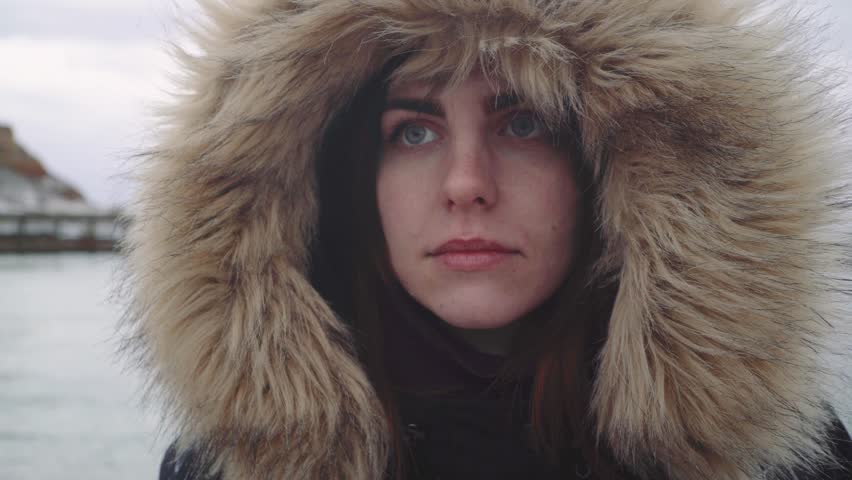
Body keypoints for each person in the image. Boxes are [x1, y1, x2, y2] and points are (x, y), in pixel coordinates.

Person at [121, 0, 852, 478]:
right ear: (340, 177)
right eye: (412, 131)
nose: (466, 182)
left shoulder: (774, 460)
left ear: (620, 172)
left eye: (524, 123)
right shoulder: (231, 464)